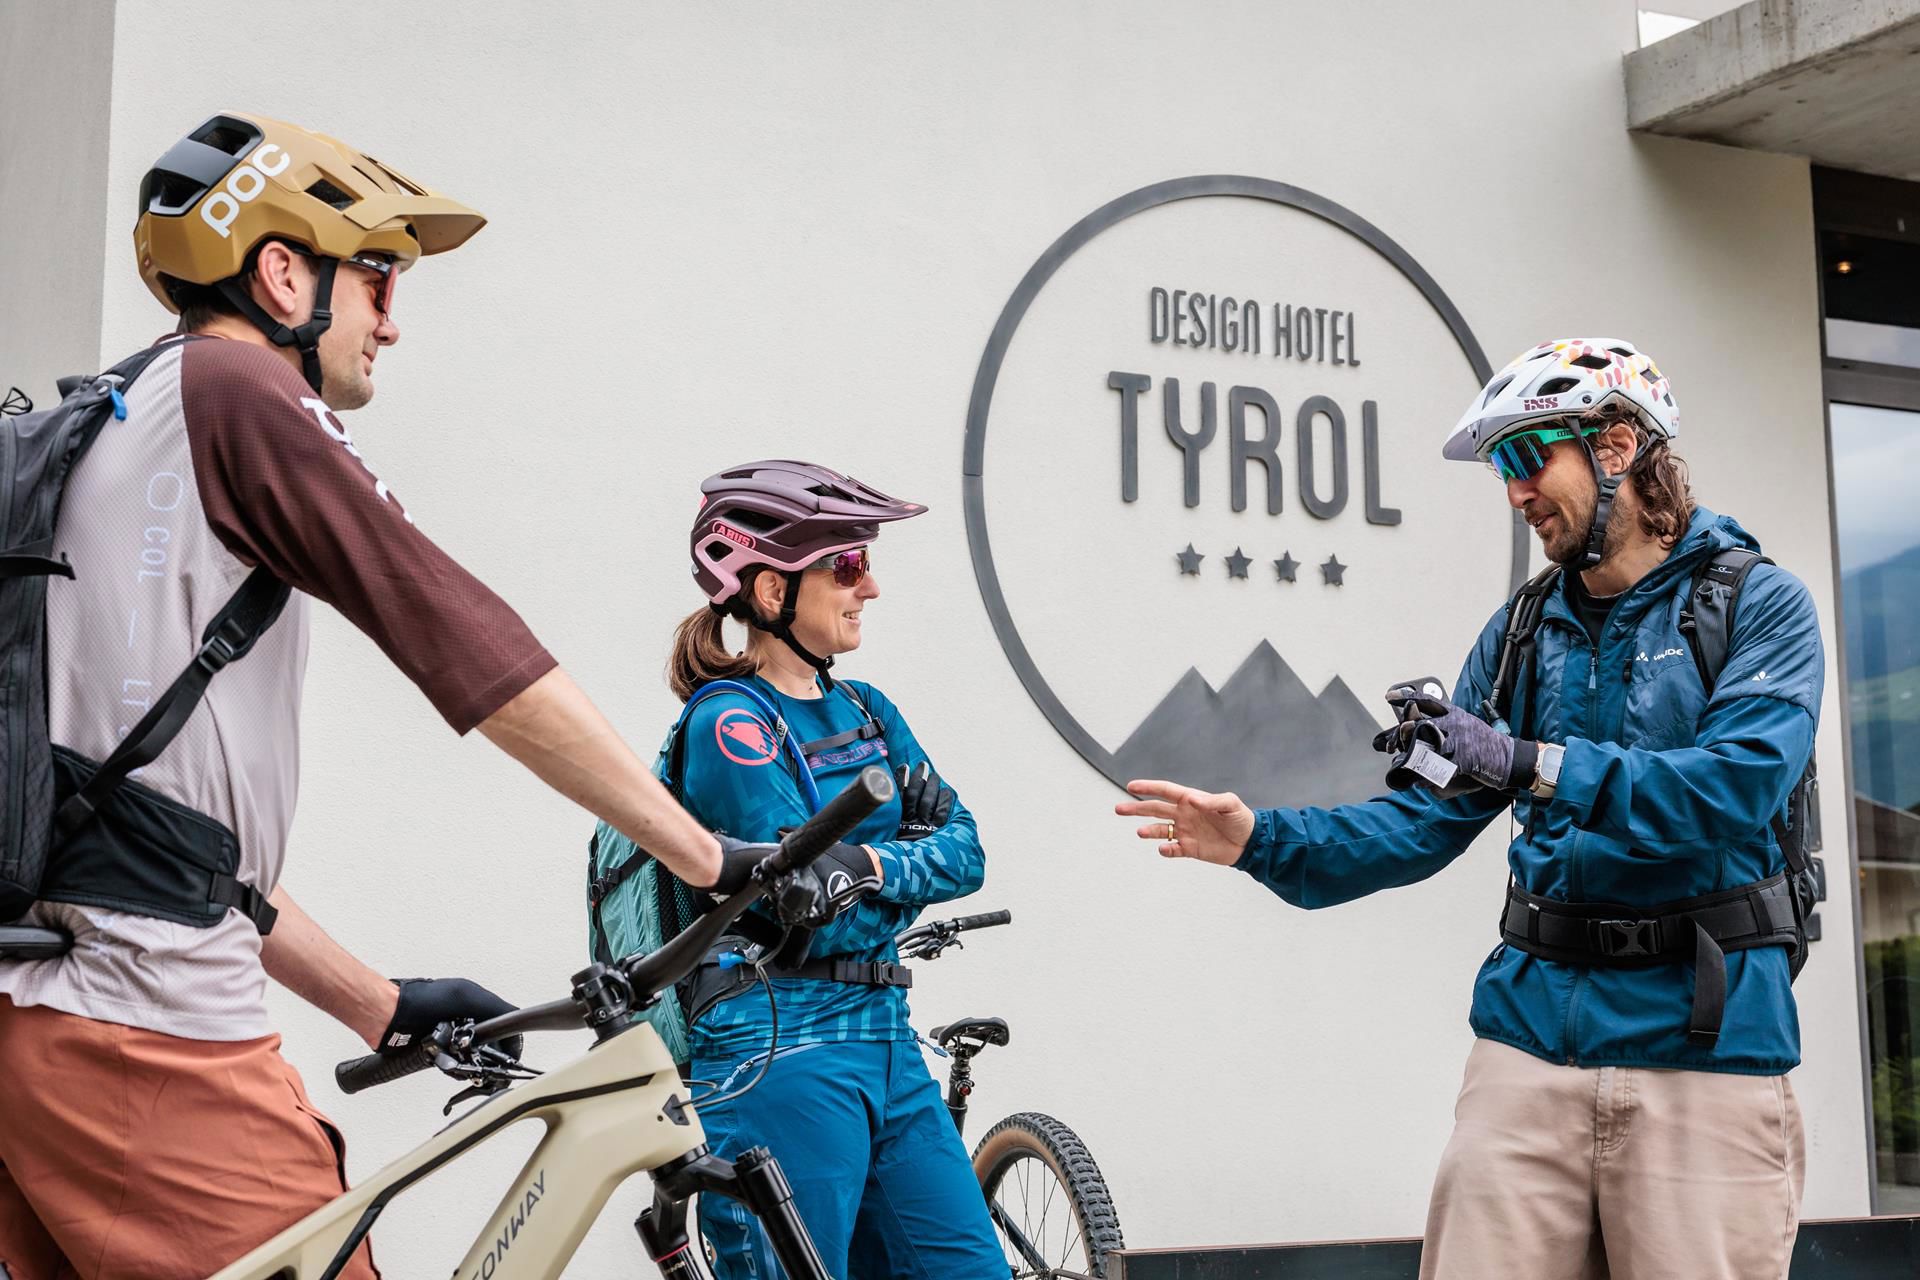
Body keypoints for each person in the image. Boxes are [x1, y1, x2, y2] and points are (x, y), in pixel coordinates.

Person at [0, 112, 787, 1280]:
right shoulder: (237, 388)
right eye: (377, 277)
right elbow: (462, 637)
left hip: (47, 1027)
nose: (391, 319)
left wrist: (376, 1000)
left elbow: (144, 833)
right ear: (283, 273)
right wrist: (704, 853)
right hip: (146, 1031)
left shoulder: (127, 414)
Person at [1118, 339, 1822, 1280]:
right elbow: (1423, 820)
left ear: (1617, 447)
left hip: (1706, 1051)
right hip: (1528, 1043)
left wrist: (1532, 762)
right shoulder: (1521, 632)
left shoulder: (1760, 606)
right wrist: (1261, 840)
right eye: (1501, 468)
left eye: (1528, 456)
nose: (1516, 492)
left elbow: (1734, 788)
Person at [653, 459, 1004, 1278]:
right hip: (779, 1043)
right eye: (847, 565)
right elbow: (810, 910)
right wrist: (907, 856)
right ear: (772, 590)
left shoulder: (866, 709)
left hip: (885, 1034)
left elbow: (970, 852)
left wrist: (868, 864)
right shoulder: (730, 724)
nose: (869, 587)